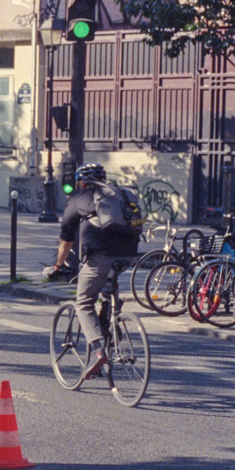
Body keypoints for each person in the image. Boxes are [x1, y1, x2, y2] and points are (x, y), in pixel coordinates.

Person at [49, 163, 142, 384]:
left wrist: (58, 266)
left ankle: (99, 352)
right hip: (129, 255)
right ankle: (112, 322)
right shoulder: (118, 195)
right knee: (107, 287)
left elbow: (66, 240)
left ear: (81, 182)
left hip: (99, 257)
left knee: (83, 302)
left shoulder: (78, 200)